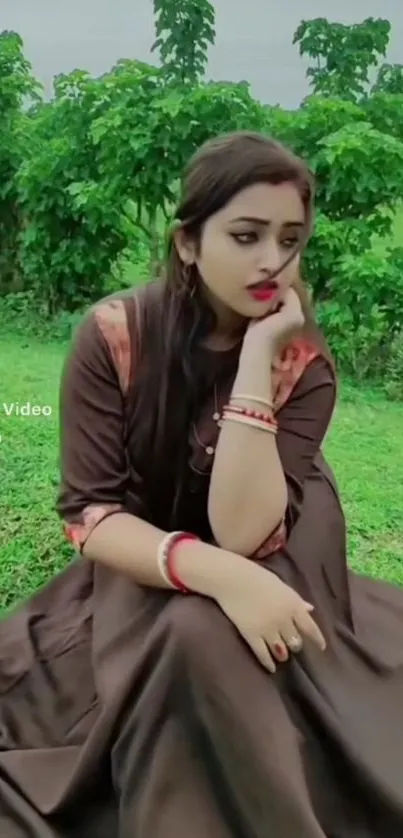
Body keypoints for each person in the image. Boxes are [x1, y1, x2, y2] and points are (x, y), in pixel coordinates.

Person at [0, 131, 402, 838]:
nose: (272, 261)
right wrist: (217, 574)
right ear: (188, 243)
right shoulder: (116, 336)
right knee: (187, 628)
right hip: (148, 542)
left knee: (204, 635)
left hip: (278, 537)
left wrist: (256, 360)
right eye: (245, 235)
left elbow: (248, 532)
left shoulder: (301, 364)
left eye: (289, 238)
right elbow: (91, 513)